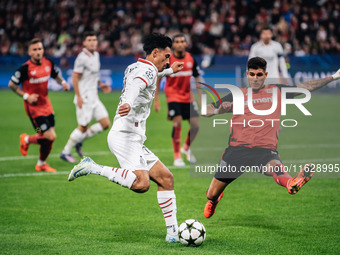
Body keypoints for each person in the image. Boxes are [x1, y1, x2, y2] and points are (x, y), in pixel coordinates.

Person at [68, 33, 184, 243]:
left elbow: (145, 77)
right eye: (166, 57)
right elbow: (136, 86)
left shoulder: (135, 66)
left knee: (166, 179)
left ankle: (173, 234)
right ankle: (92, 167)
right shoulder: (146, 71)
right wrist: (129, 102)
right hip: (125, 136)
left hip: (133, 136)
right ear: (155, 52)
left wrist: (167, 71)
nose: (169, 60)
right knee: (141, 184)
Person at [203, 57, 340, 218]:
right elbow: (206, 109)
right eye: (252, 74)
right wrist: (217, 110)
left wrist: (334, 77)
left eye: (259, 74)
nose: (255, 78)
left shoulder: (276, 91)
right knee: (211, 194)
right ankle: (215, 199)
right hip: (236, 151)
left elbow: (305, 87)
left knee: (274, 166)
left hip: (264, 150)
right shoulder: (238, 95)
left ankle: (291, 183)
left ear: (266, 74)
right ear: (247, 74)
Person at [8, 38, 70, 172]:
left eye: (40, 49)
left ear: (43, 50)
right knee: (48, 136)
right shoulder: (25, 69)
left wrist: (63, 83)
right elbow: (11, 85)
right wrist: (26, 96)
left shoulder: (48, 63)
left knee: (49, 138)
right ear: (29, 52)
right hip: (34, 109)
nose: (38, 52)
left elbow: (56, 75)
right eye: (34, 50)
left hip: (47, 105)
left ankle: (41, 163)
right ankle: (27, 139)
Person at [60, 32, 111, 163]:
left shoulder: (96, 55)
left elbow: (94, 74)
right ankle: (65, 152)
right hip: (85, 97)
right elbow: (75, 77)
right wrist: (78, 96)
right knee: (82, 127)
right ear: (84, 43)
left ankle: (79, 140)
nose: (93, 42)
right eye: (90, 40)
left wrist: (101, 84)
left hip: (94, 96)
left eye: (94, 39)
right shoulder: (81, 58)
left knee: (105, 124)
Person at [154, 34, 202, 167]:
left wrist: (201, 99)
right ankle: (177, 157)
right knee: (178, 123)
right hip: (173, 95)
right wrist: (156, 99)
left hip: (188, 97)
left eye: (182, 41)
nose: (180, 44)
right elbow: (158, 78)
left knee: (196, 125)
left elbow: (197, 78)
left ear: (186, 44)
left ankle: (186, 148)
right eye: (177, 42)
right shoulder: (168, 59)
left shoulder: (191, 59)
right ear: (173, 45)